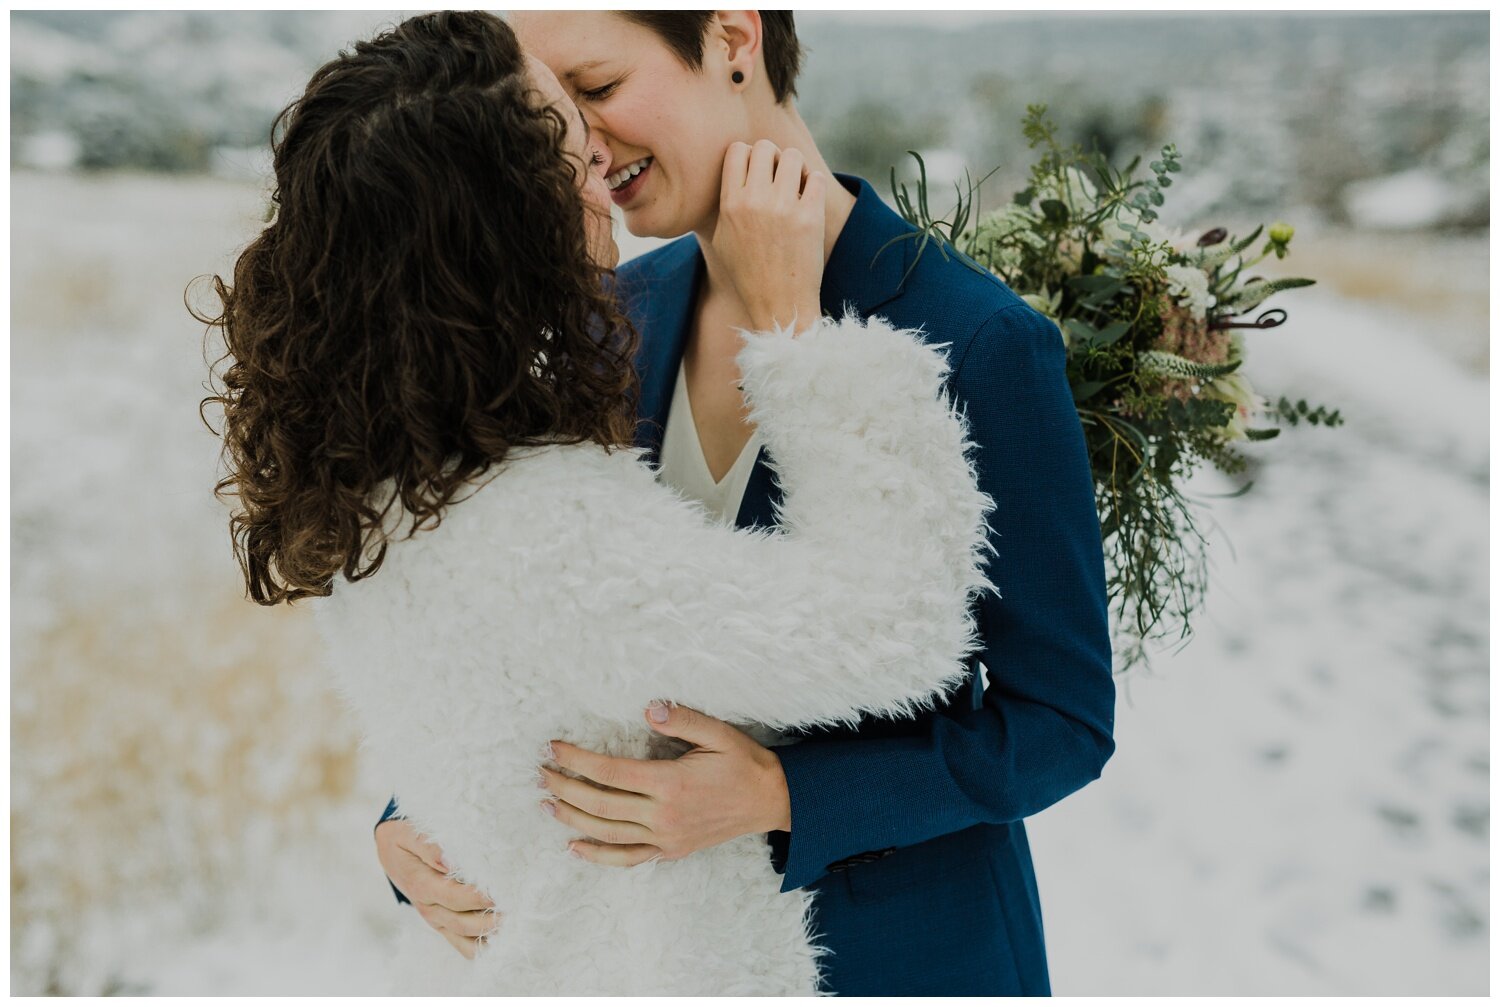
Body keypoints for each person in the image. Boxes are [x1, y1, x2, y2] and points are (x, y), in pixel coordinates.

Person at [203, 10, 996, 996]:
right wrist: (799, 339)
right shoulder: (541, 522)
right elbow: (898, 622)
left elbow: (515, 704)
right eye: (569, 156)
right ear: (498, 229)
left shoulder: (386, 467)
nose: (603, 186)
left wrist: (428, 825)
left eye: (599, 94)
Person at [376, 11, 1118, 996]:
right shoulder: (614, 318)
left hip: (899, 960)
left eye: (594, 89)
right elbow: (527, 619)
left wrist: (781, 793)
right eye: (547, 110)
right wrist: (410, 816)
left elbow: (1063, 719)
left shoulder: (974, 336)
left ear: (732, 38)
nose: (575, 144)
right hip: (652, 961)